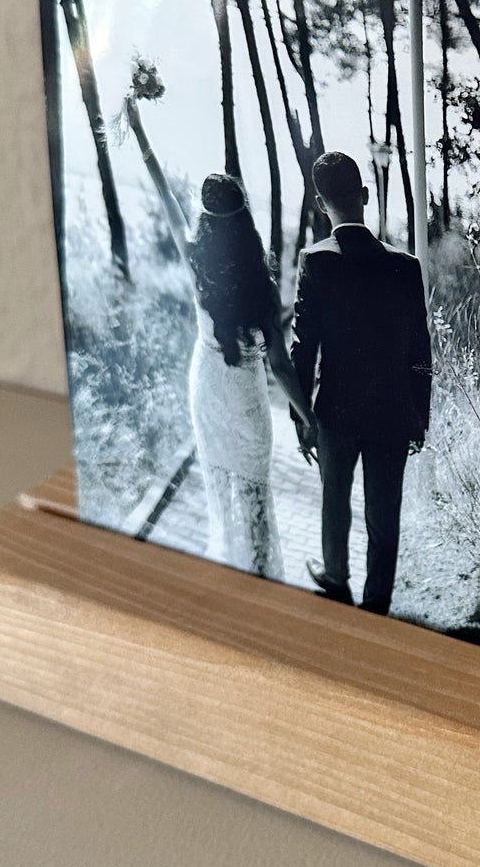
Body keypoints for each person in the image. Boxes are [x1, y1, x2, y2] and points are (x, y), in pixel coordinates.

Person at [125, 97, 315, 579]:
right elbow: (279, 365)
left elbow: (165, 196)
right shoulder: (262, 282)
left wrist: (140, 133)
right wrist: (306, 414)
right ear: (245, 220)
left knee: (218, 487)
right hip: (247, 398)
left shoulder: (196, 263)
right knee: (253, 491)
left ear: (207, 221)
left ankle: (227, 577)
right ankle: (258, 578)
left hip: (206, 386)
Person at [289, 151, 431, 615]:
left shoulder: (316, 262)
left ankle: (335, 581)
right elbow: (419, 352)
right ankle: (376, 602)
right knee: (382, 515)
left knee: (335, 502)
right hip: (392, 414)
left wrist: (302, 416)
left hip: (335, 412)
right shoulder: (405, 266)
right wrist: (419, 418)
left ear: (319, 202)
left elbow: (303, 349)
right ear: (365, 196)